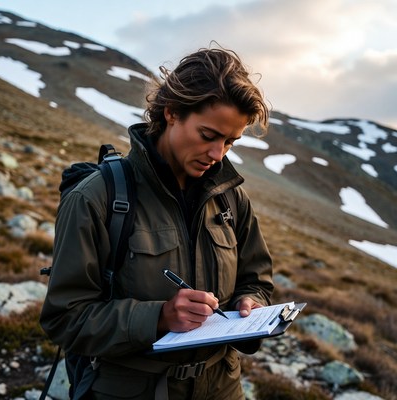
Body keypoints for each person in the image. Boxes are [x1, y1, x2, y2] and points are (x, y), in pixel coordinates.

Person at [40, 44, 274, 400]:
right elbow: (65, 318)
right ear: (172, 113)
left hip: (222, 387)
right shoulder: (98, 197)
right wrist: (160, 317)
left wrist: (251, 302)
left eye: (230, 142)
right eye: (208, 136)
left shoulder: (230, 197)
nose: (218, 155)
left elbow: (256, 278)